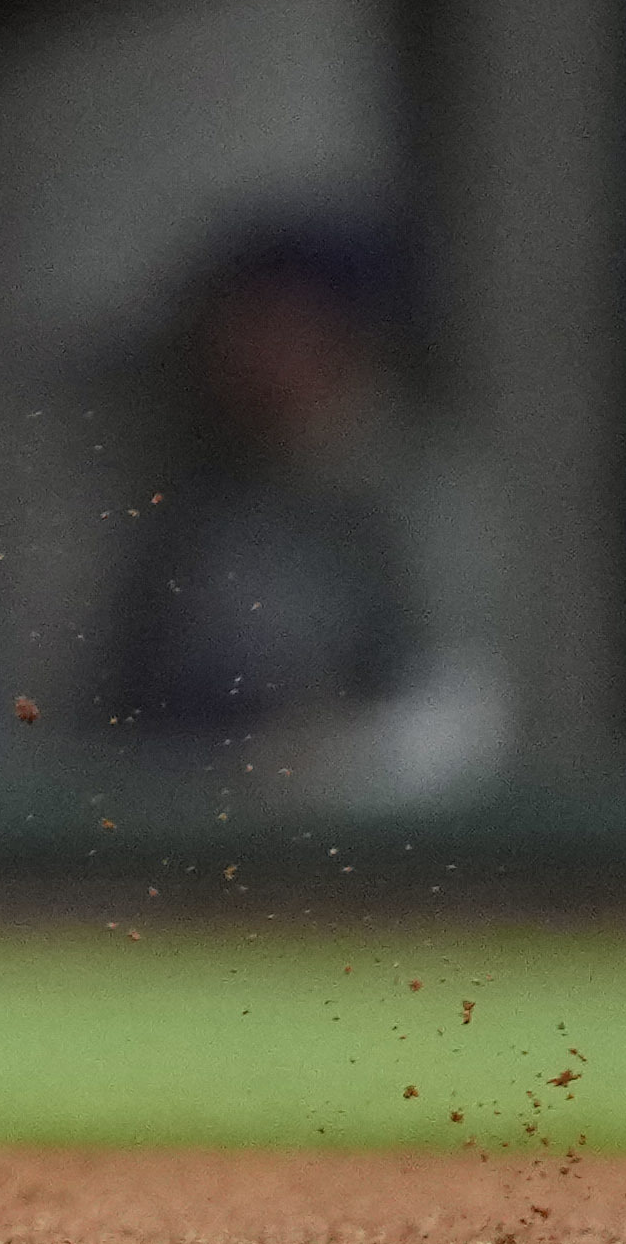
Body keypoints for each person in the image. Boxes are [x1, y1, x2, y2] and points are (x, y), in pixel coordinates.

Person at [99, 211, 509, 805]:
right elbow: (124, 709)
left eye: (273, 326)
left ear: (338, 339)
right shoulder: (206, 493)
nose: (240, 352)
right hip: (191, 831)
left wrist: (321, 762)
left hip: (365, 853)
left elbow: (462, 719)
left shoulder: (409, 492)